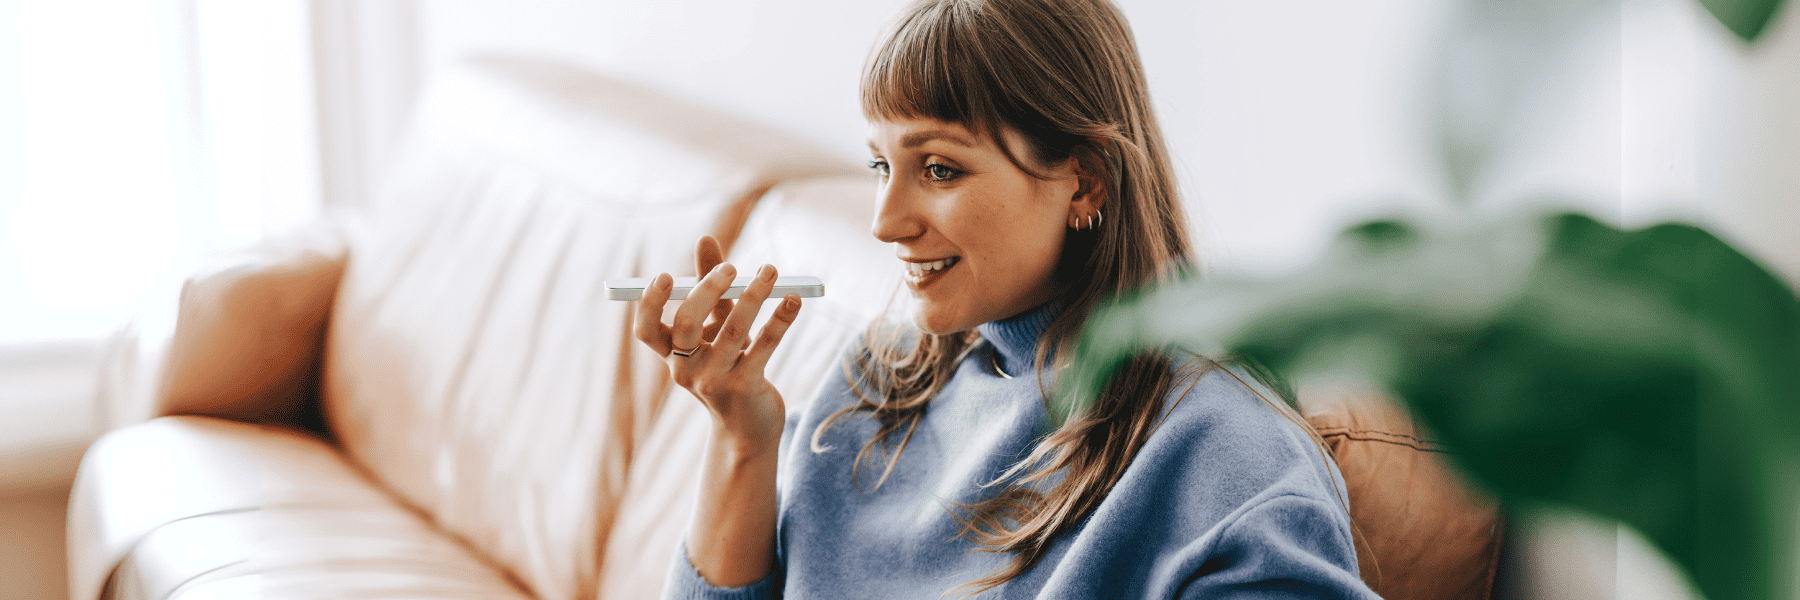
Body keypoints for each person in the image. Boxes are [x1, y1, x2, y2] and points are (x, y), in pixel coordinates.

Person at [634, 0, 1381, 597]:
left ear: (1084, 182)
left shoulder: (1223, 456)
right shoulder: (877, 377)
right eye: (879, 165)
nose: (884, 221)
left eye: (938, 169)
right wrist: (742, 439)